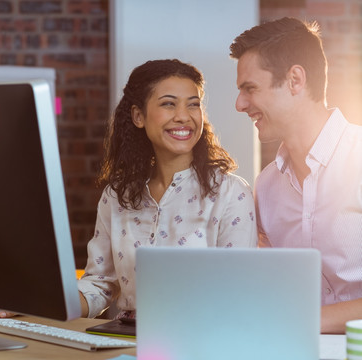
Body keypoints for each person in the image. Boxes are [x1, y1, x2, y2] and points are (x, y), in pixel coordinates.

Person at [77, 59, 258, 319]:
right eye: (168, 104)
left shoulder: (231, 194)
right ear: (139, 116)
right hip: (126, 341)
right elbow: (98, 285)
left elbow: (239, 294)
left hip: (198, 344)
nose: (184, 116)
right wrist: (42, 303)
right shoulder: (117, 195)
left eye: (193, 104)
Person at [230, 17, 362, 334]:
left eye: (250, 89)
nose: (240, 104)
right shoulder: (267, 186)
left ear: (295, 80)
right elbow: (269, 287)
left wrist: (305, 321)